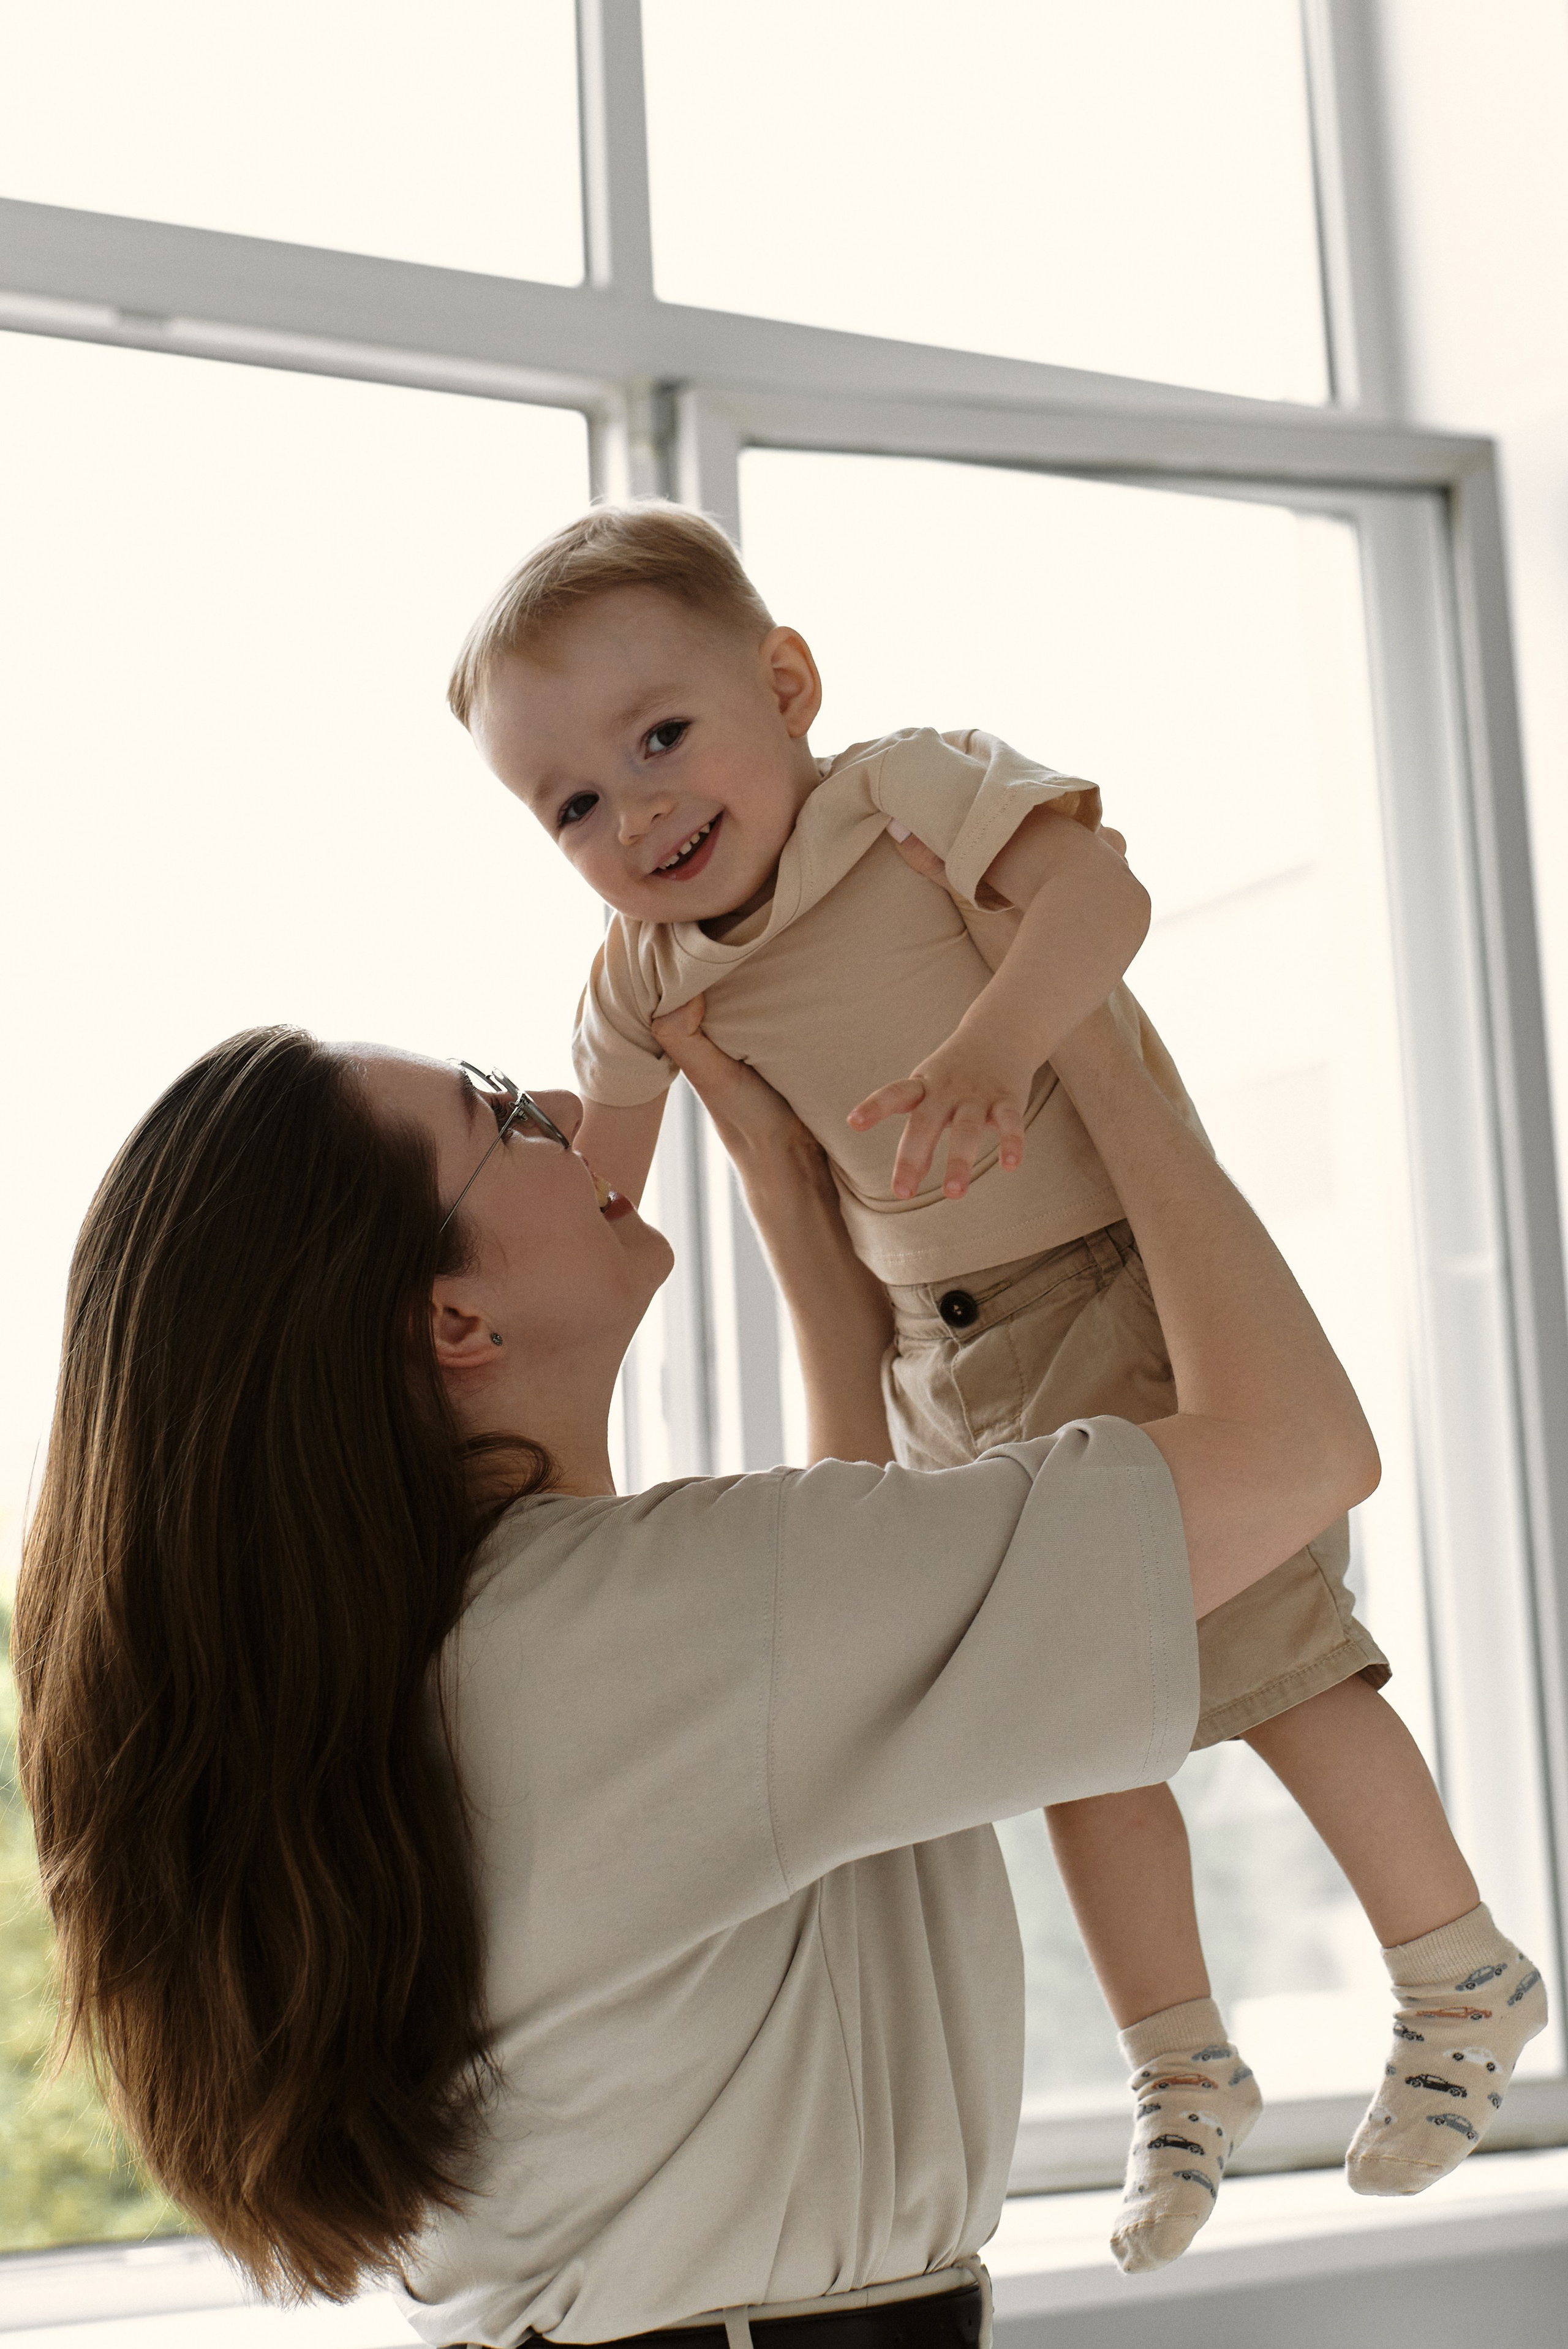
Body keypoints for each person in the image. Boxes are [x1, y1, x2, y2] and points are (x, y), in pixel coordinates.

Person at [447, 502, 1547, 2271]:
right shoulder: (645, 977)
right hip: (936, 1358)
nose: (633, 808)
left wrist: (996, 1047)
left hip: (1113, 1287)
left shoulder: (901, 795)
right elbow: (589, 1195)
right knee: (1071, 1724)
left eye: (661, 736)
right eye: (570, 800)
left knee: (1279, 1665)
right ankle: (1180, 2067)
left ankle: (1457, 1966)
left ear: (787, 684)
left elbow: (1101, 895)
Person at [15, 979, 1376, 2346]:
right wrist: (1078, 1028)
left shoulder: (455, 1652)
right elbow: (1297, 1454)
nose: (557, 1105)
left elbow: (820, 1650)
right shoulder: (656, 1617)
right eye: (498, 1112)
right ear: (452, 1324)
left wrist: (789, 1196)